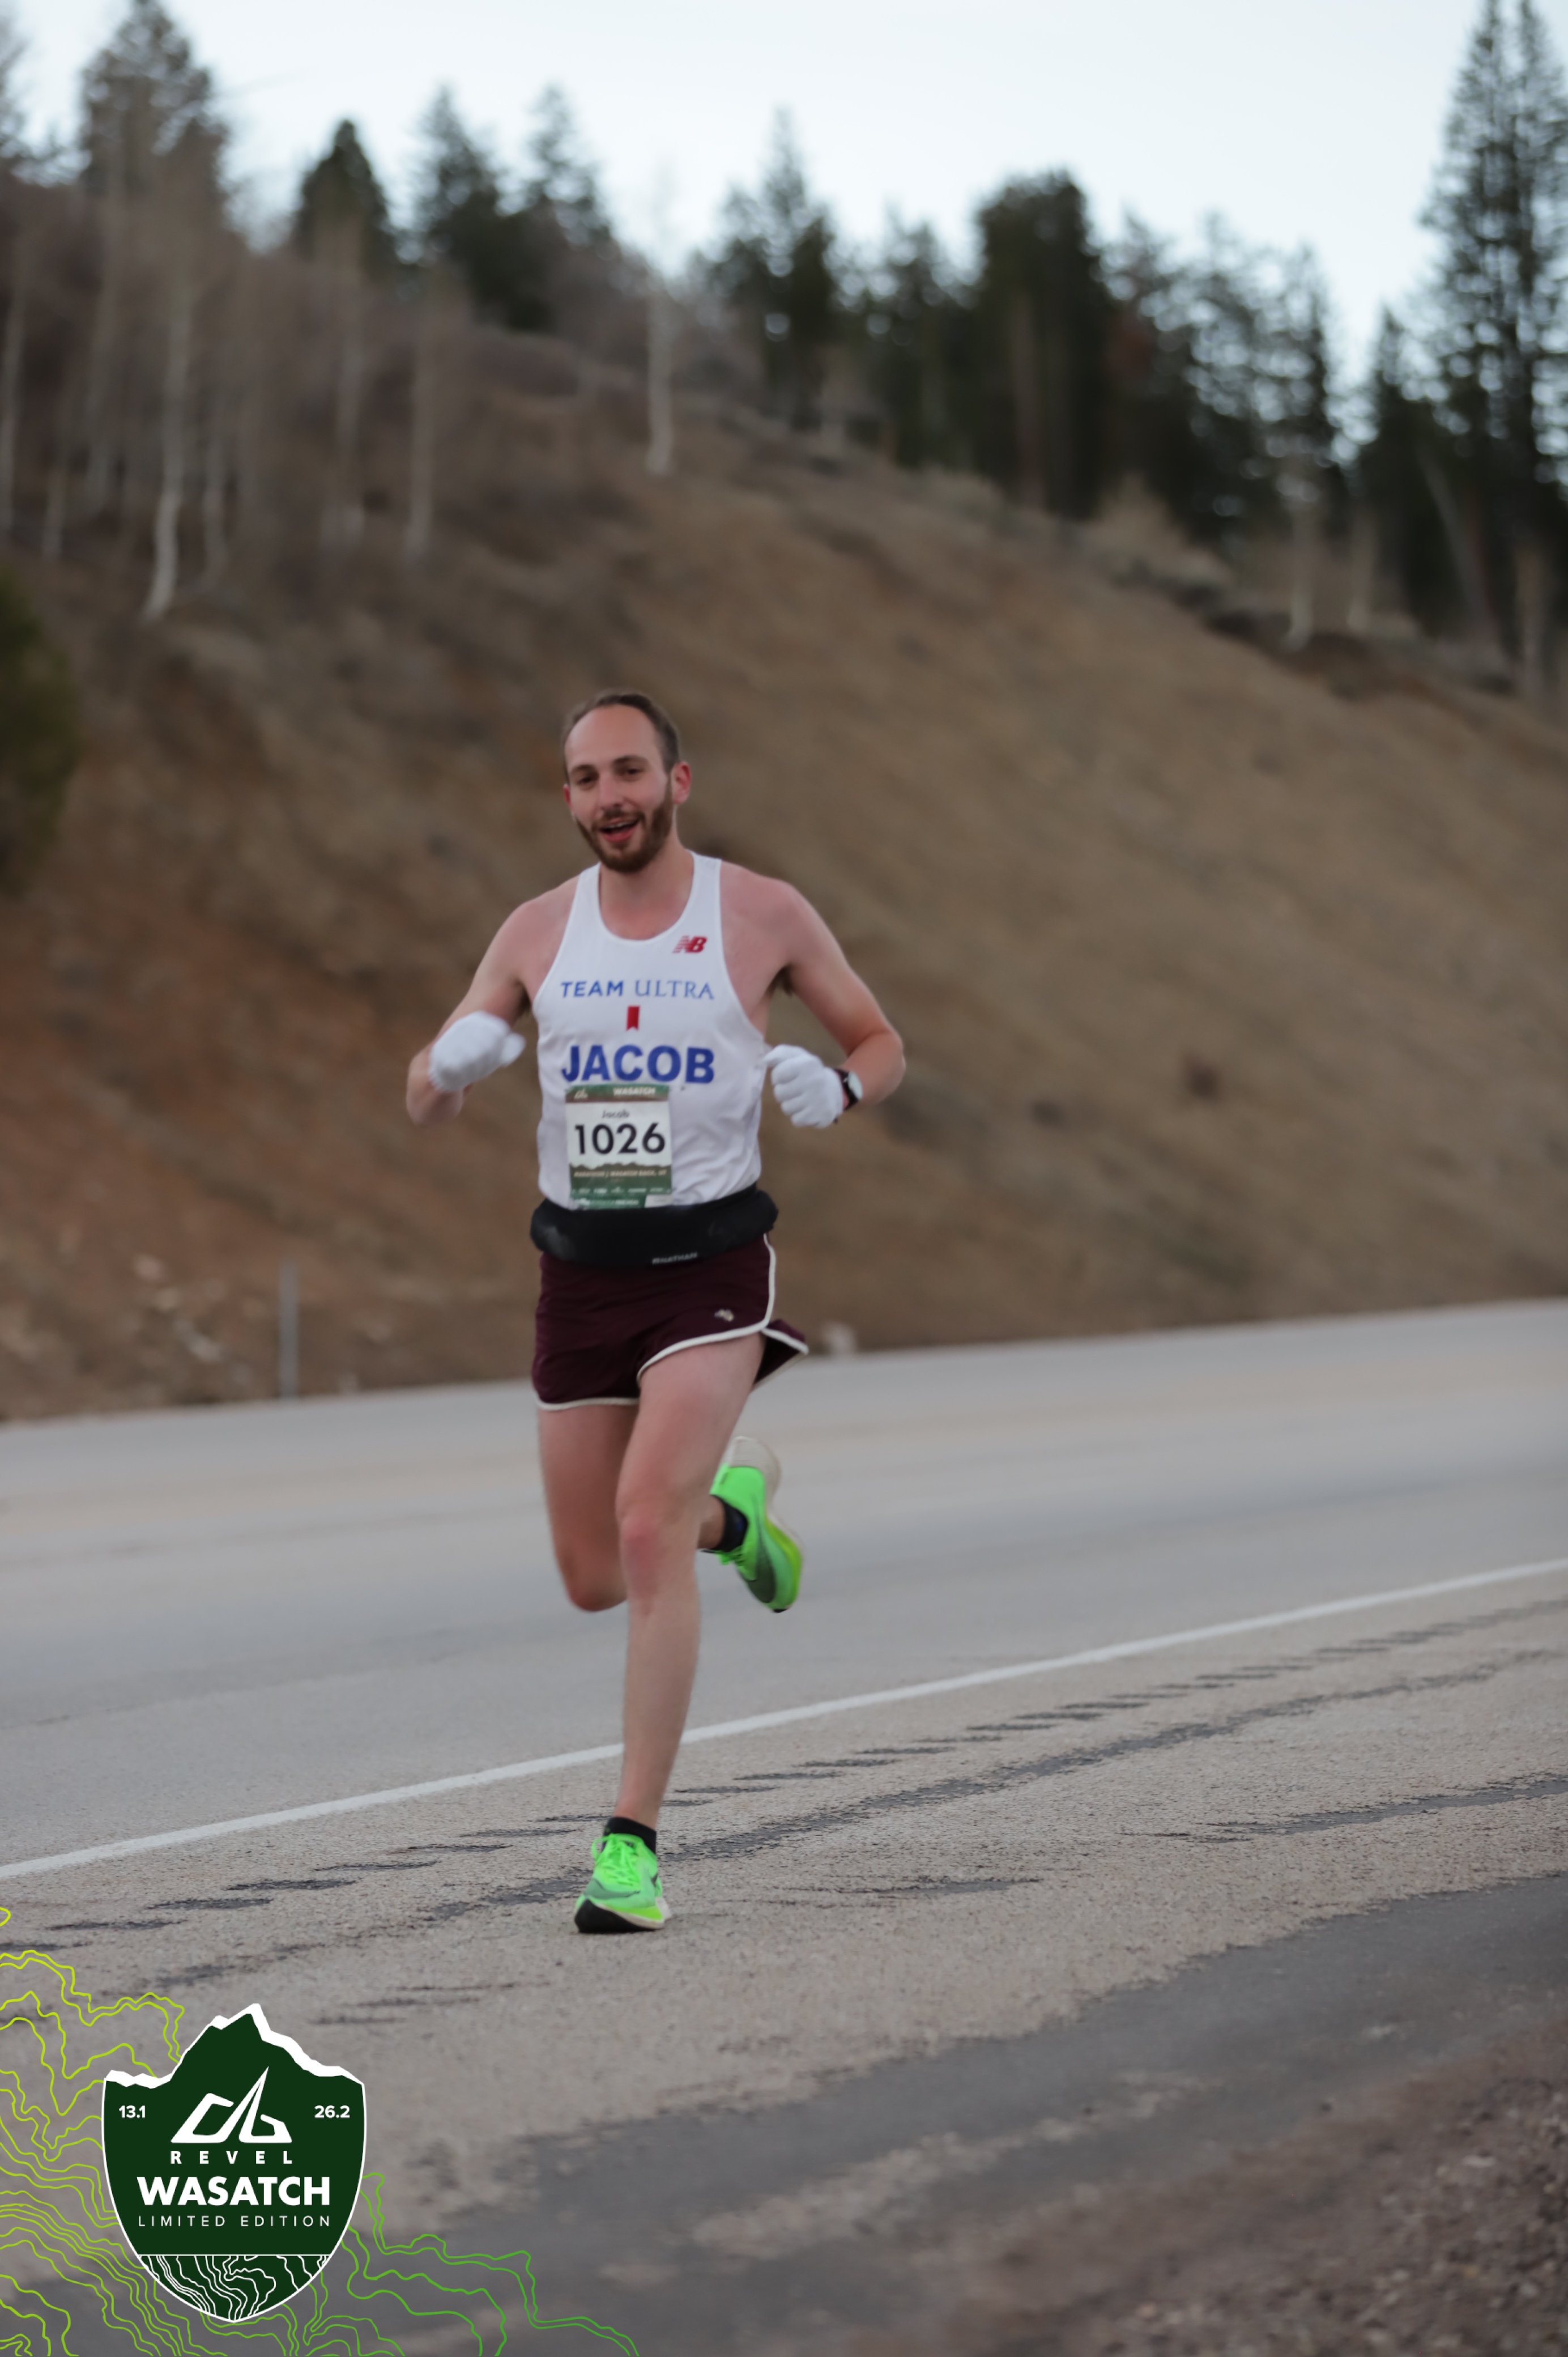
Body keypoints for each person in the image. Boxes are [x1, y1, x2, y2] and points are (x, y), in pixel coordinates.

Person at [407, 690, 904, 1933]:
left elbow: (880, 1040)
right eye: (586, 780)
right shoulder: (535, 931)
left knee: (641, 1530)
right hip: (579, 1272)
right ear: (569, 798)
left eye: (628, 771)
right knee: (592, 1576)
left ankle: (630, 1848)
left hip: (707, 1267)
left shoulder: (762, 912)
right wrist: (448, 1070)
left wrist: (841, 1089)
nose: (608, 798)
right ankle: (732, 1518)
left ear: (677, 782)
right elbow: (424, 1094)